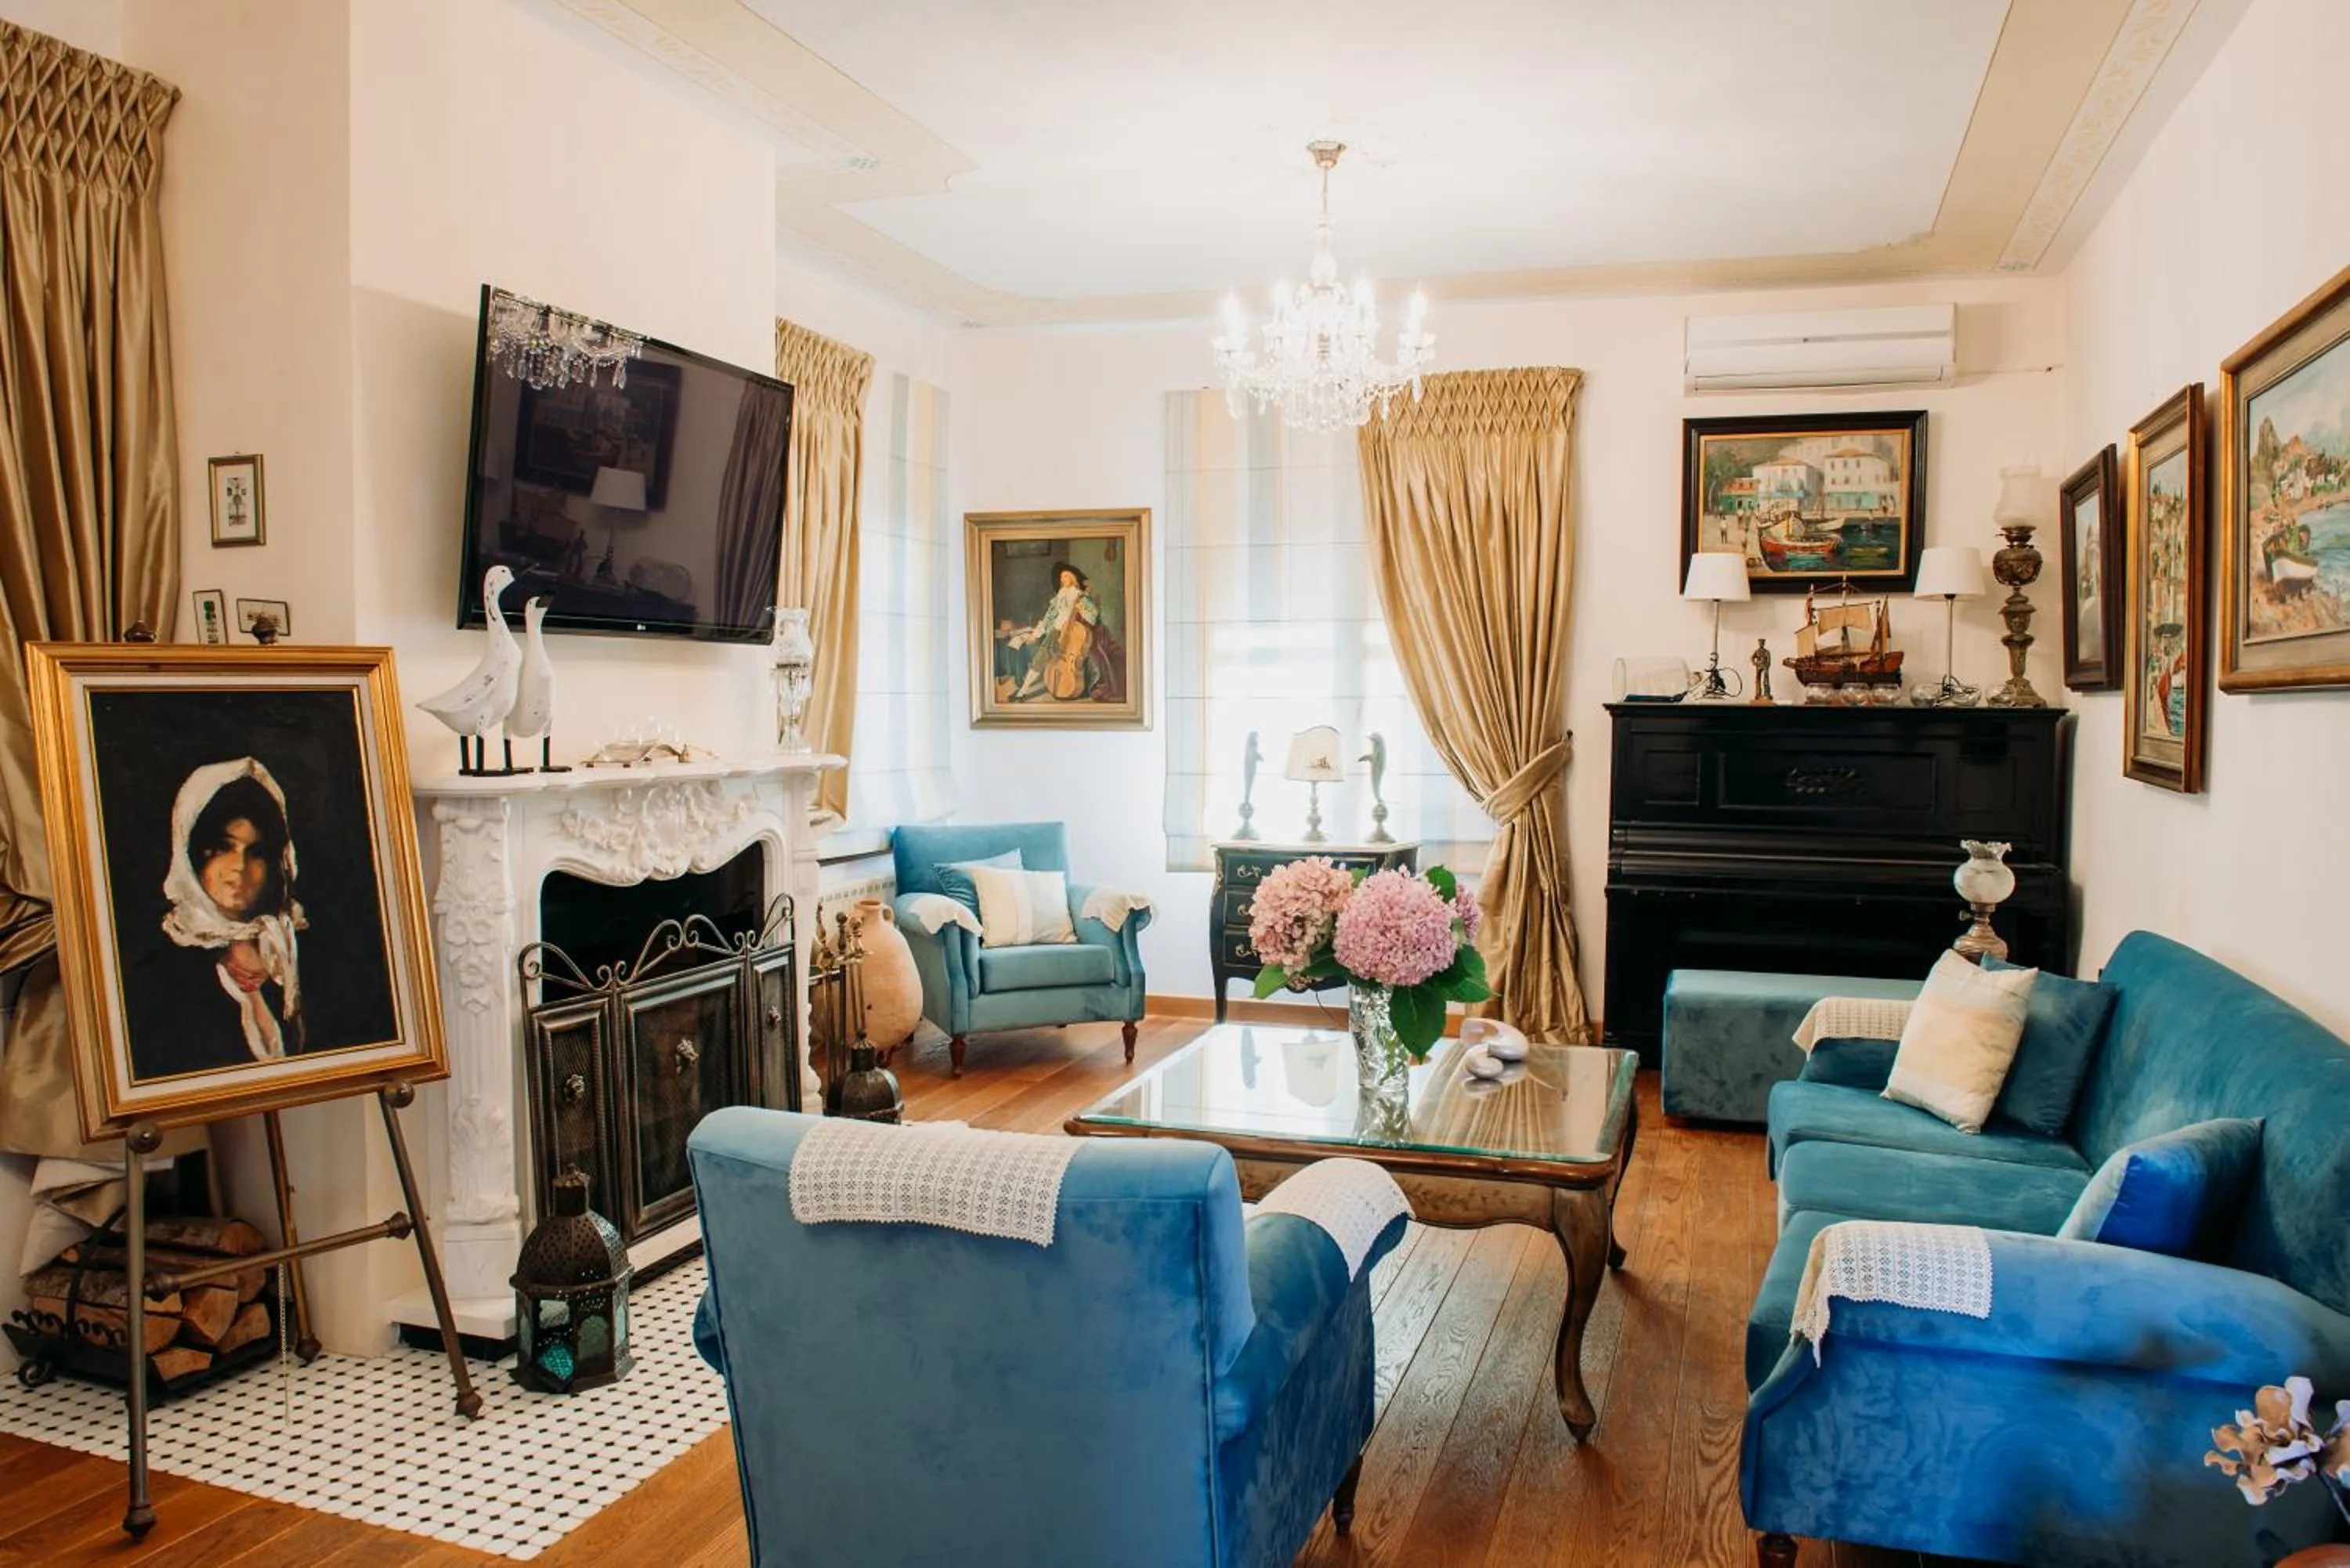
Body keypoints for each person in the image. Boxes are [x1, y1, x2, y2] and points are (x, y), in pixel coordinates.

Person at [140, 758, 309, 1076]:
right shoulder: (163, 978)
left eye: (256, 852)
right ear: (192, 852)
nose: (238, 869)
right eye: (223, 848)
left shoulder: (293, 953)